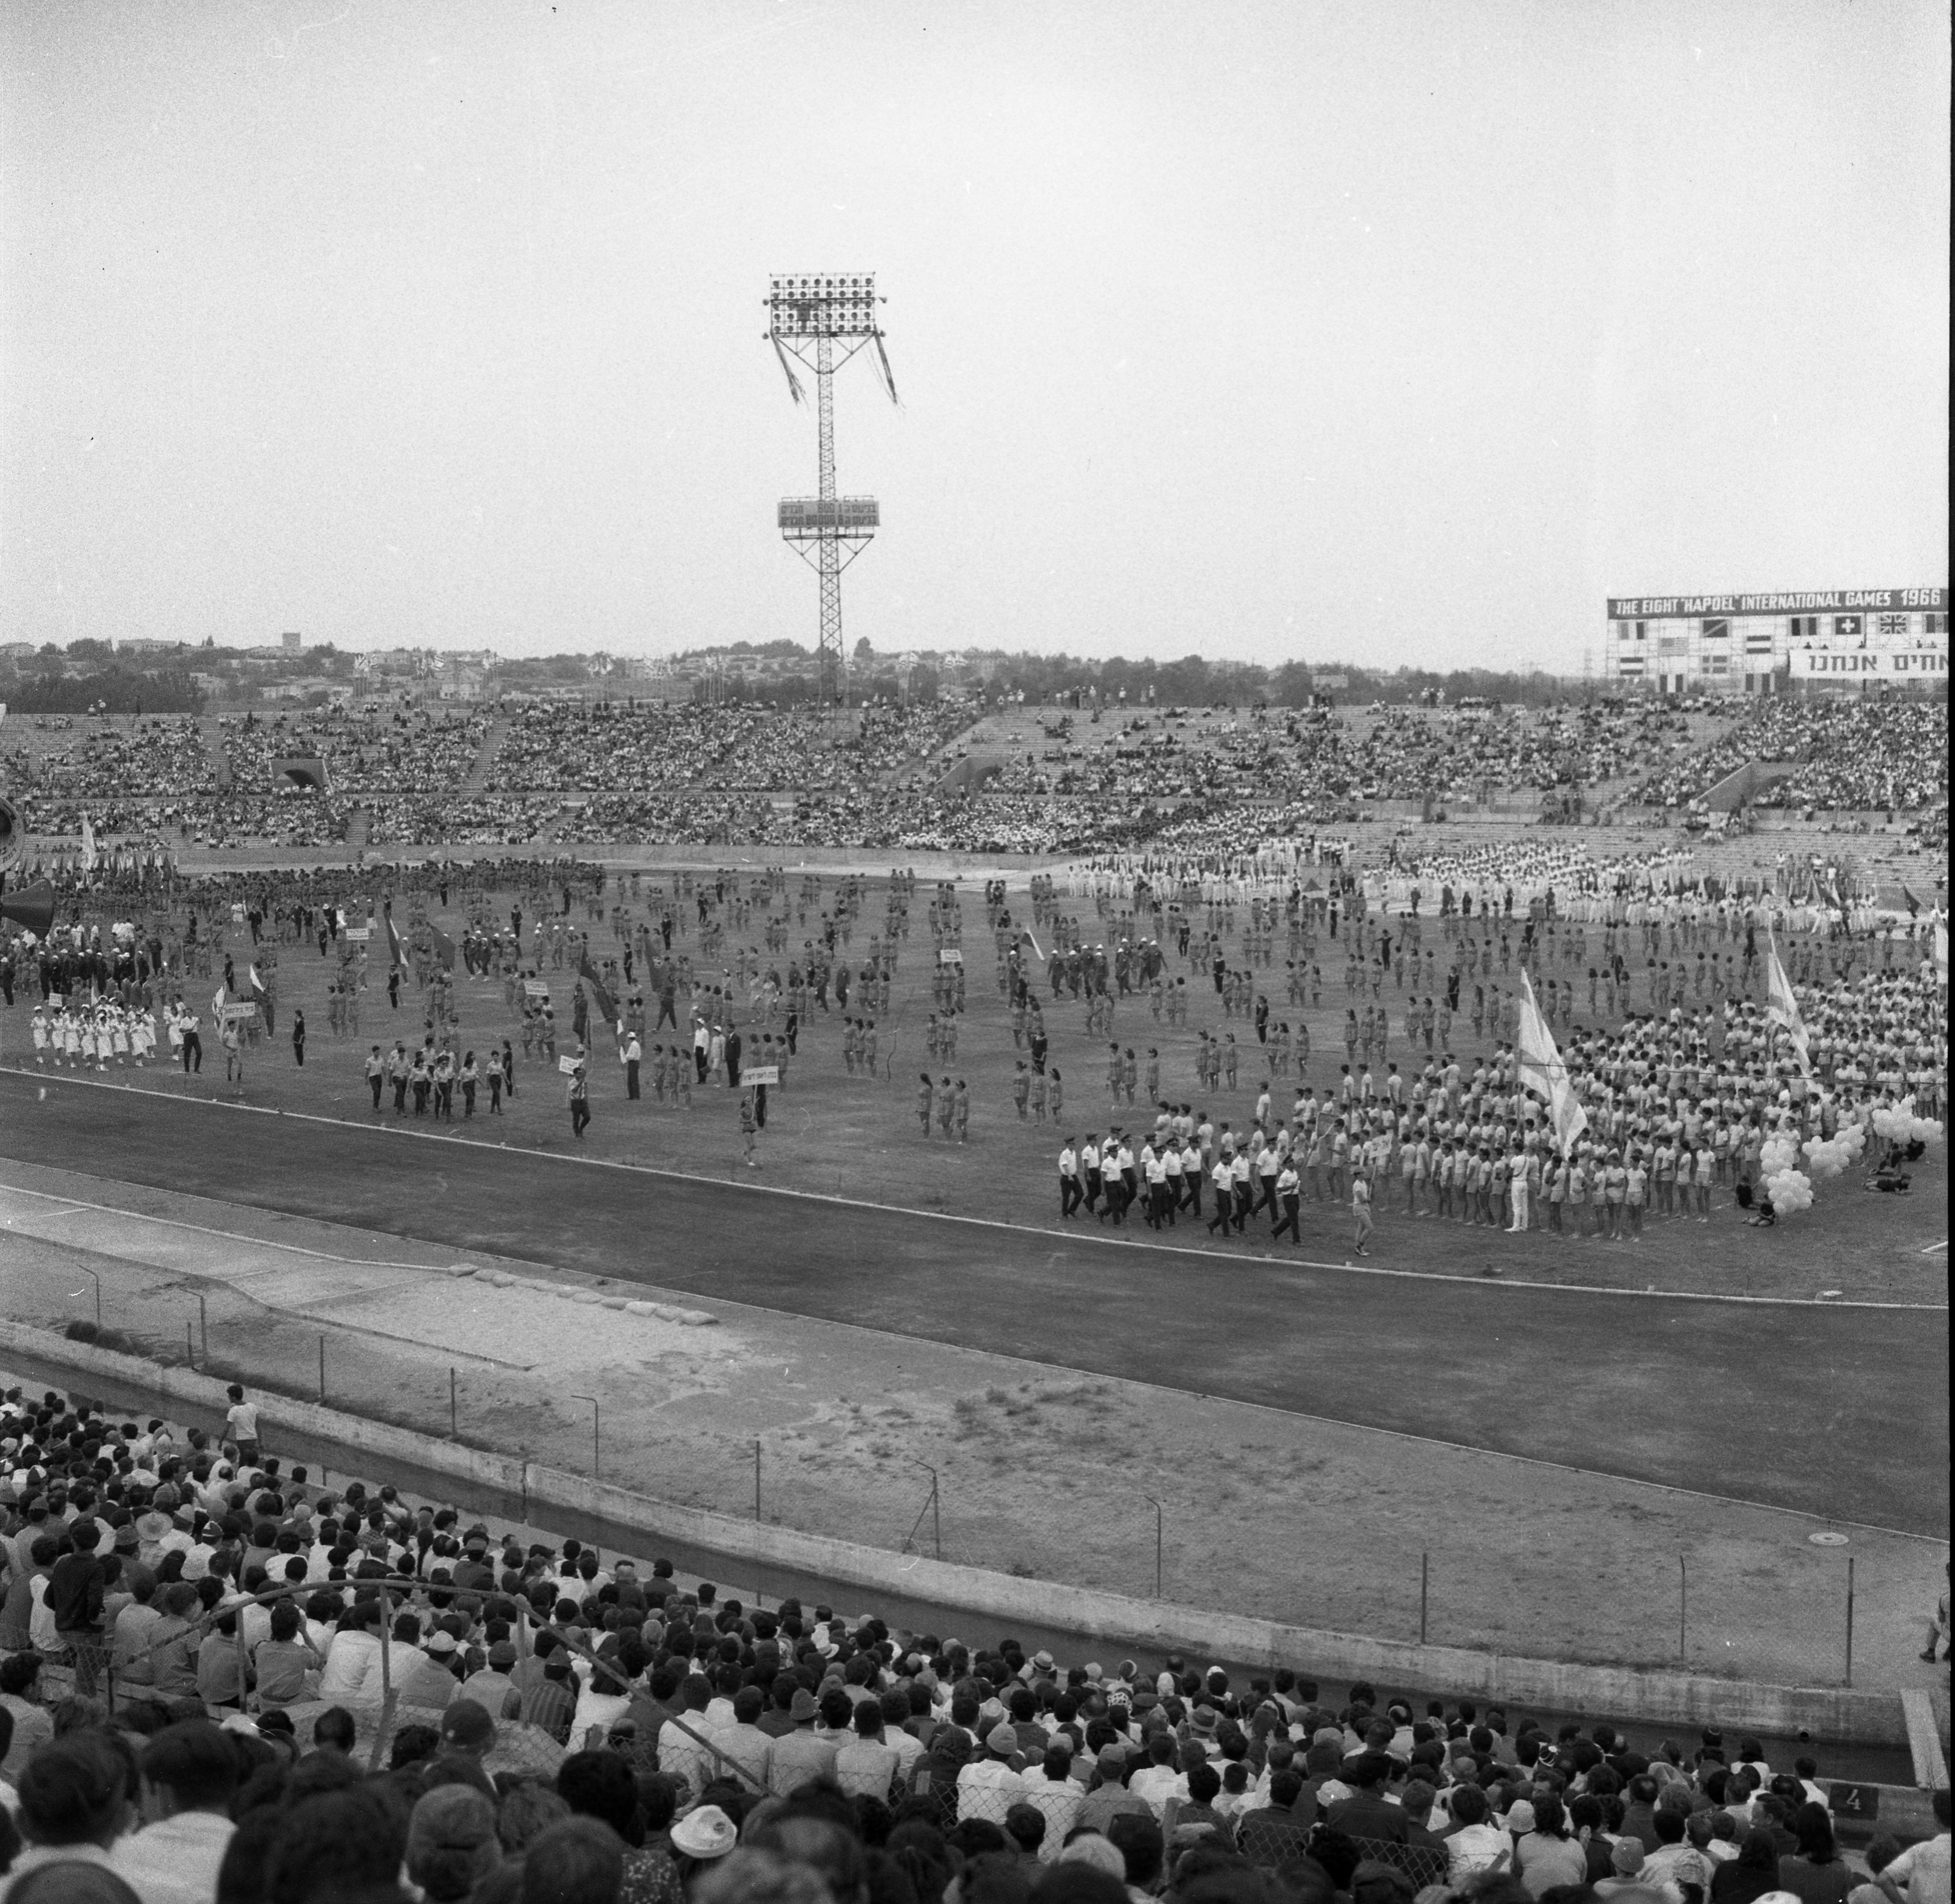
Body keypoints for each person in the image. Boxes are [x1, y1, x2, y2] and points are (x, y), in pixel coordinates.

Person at [1351, 1164, 1373, 1256]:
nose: (1364, 1174)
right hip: (1359, 1207)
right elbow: (1361, 1199)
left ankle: (1358, 1247)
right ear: (1358, 1175)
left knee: (1362, 1228)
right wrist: (1368, 1200)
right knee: (1370, 1228)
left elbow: (1366, 1196)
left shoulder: (1363, 1183)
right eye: (1363, 1173)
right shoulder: (1357, 1185)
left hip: (1364, 1207)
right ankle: (1360, 1246)